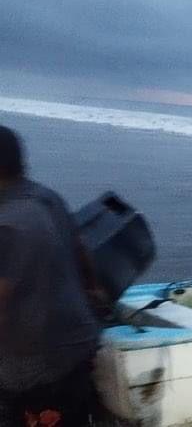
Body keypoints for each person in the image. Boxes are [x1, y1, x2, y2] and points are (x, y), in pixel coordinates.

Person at [0, 125, 102, 426]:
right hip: (79, 346)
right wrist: (95, 297)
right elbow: (83, 255)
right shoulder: (47, 197)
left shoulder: (9, 224)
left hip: (36, 371)